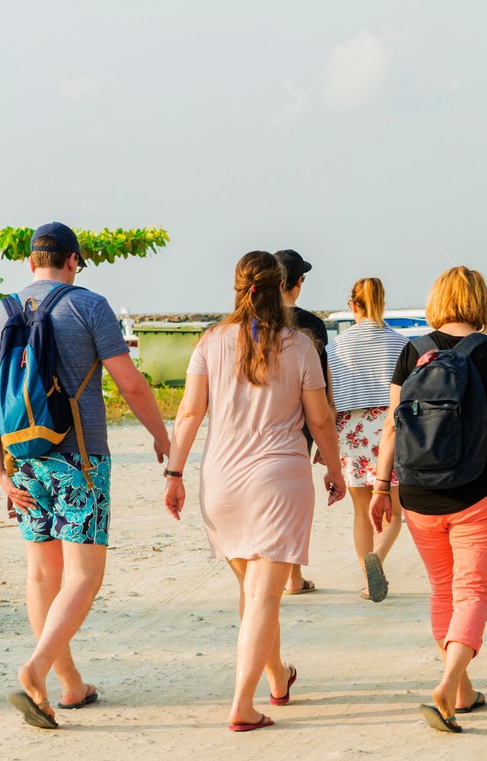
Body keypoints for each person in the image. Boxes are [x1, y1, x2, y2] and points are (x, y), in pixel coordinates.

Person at [0, 222, 172, 730]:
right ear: (74, 260)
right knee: (84, 575)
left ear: (29, 262)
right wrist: (160, 435)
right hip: (80, 460)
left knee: (41, 573)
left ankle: (68, 685)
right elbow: (129, 381)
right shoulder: (88, 305)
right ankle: (36, 668)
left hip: (23, 461)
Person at [162, 251, 346, 732]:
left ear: (238, 286)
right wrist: (334, 467)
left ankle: (279, 679)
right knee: (264, 595)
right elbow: (320, 418)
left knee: (254, 591)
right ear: (281, 285)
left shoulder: (210, 341)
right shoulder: (301, 345)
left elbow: (188, 414)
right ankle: (242, 705)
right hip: (278, 480)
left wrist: (174, 474)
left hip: (221, 482)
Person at [368, 267, 487, 732]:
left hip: (419, 492)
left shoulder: (413, 351)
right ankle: (447, 685)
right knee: (474, 590)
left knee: (444, 590)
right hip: (479, 488)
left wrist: (383, 488)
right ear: (481, 301)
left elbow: (392, 427)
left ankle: (462, 690)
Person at [327, 277, 411, 602]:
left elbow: (330, 399)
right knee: (393, 512)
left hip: (351, 428)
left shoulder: (334, 347)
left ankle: (367, 580)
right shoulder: (402, 343)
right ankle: (377, 556)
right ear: (382, 303)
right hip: (389, 427)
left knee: (361, 511)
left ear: (352, 306)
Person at [274, 249, 331, 594]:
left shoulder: (246, 322)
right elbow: (321, 387)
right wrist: (327, 441)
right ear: (295, 285)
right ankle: (292, 576)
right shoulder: (311, 325)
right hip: (300, 425)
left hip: (254, 422)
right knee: (292, 502)